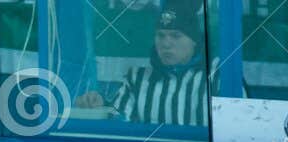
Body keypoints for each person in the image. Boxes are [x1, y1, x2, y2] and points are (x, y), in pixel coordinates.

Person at [77, 1, 210, 127]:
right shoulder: (137, 78)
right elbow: (119, 120)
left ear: (195, 41)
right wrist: (100, 105)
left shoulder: (215, 77)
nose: (166, 44)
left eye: (176, 36)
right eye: (161, 35)